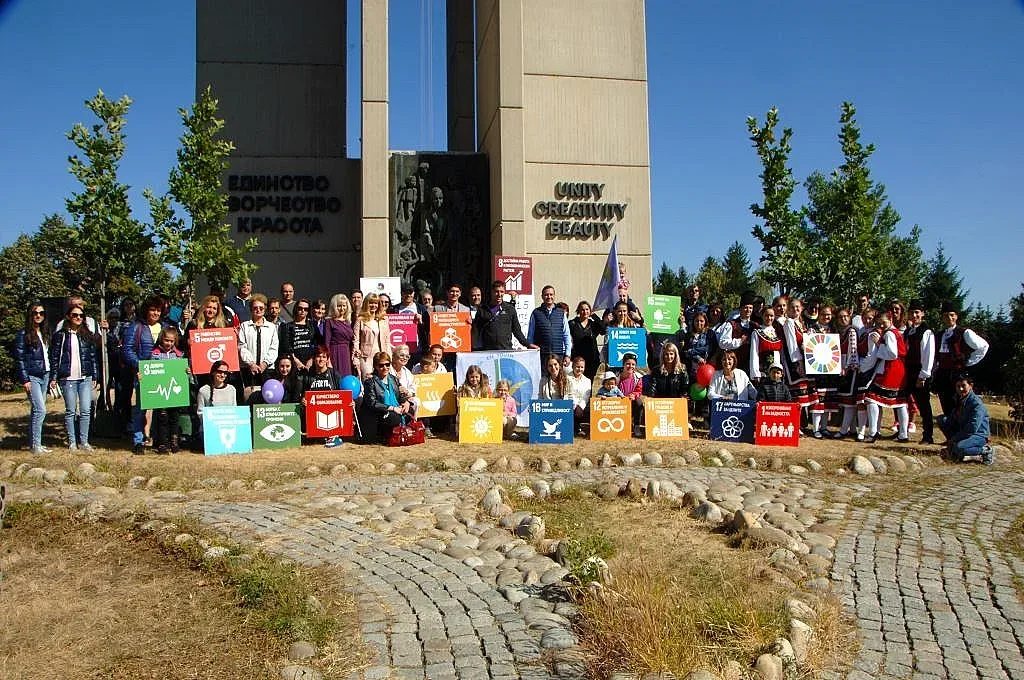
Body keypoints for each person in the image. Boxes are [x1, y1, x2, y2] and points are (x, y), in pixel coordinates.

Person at [50, 302, 100, 451]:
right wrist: (54, 377)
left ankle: (84, 442)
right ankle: (72, 442)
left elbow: (92, 356)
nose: (78, 318)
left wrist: (95, 374)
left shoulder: (87, 335)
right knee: (71, 410)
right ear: (68, 317)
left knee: (86, 410)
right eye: (75, 315)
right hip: (68, 378)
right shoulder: (60, 335)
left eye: (81, 315)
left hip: (85, 377)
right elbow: (54, 356)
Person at [122, 296, 169, 454]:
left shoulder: (165, 326)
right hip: (144, 373)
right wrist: (140, 366)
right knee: (141, 408)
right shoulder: (137, 327)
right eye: (152, 309)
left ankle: (158, 440)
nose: (155, 313)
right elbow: (127, 351)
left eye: (158, 310)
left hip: (162, 373)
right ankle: (138, 440)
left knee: (160, 409)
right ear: (146, 310)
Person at [859, 310, 909, 443]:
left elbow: (892, 354)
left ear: (890, 320)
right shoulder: (896, 333)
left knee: (871, 398)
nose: (881, 326)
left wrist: (878, 344)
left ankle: (873, 432)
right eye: (879, 323)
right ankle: (903, 433)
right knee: (900, 401)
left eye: (883, 323)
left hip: (891, 369)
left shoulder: (889, 334)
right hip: (899, 369)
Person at [933, 302, 989, 418]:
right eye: (946, 315)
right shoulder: (939, 335)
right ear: (942, 317)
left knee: (959, 406)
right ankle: (951, 434)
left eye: (952, 315)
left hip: (958, 375)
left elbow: (983, 346)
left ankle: (961, 433)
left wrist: (968, 362)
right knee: (946, 405)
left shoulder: (964, 333)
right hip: (943, 374)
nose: (949, 318)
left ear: (956, 316)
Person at [780, 297, 825, 437]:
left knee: (811, 395)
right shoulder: (789, 323)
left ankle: (812, 428)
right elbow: (792, 345)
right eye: (792, 307)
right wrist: (798, 363)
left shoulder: (803, 324)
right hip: (796, 364)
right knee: (798, 396)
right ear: (788, 309)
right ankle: (795, 425)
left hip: (808, 364)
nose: (796, 310)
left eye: (798, 307)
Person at [14, 302, 52, 453]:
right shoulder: (23, 334)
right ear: (30, 315)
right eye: (35, 313)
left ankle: (35, 443)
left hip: (45, 374)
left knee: (36, 410)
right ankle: (36, 446)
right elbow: (20, 358)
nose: (38, 316)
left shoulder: (44, 332)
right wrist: (25, 379)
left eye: (41, 313)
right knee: (40, 410)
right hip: (32, 376)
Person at [937, 373, 993, 464]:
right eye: (958, 386)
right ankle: (954, 448)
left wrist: (955, 438)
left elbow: (973, 427)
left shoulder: (976, 404)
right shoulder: (959, 400)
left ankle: (985, 450)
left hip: (978, 434)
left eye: (963, 386)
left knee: (960, 448)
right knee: (942, 419)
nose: (961, 389)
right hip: (963, 431)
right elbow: (953, 419)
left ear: (971, 386)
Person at [834, 308, 870, 440]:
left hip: (851, 368)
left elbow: (853, 351)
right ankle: (852, 428)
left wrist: (847, 366)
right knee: (848, 400)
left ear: (849, 317)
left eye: (845, 316)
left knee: (851, 400)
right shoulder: (840, 332)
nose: (843, 319)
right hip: (841, 365)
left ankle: (845, 430)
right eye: (840, 317)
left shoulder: (852, 331)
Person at [903, 299, 936, 444]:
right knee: (903, 403)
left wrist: (923, 376)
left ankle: (928, 436)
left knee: (924, 406)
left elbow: (929, 355)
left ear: (922, 314)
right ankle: (902, 433)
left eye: (917, 312)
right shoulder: (909, 331)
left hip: (920, 372)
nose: (914, 315)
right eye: (912, 312)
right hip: (908, 371)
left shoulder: (926, 332)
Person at [359, 351, 410, 444]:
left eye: (387, 364)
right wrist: (393, 408)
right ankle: (384, 434)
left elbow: (400, 394)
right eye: (381, 365)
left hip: (390, 410)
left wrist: (406, 402)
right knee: (394, 417)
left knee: (408, 411)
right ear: (376, 366)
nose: (385, 368)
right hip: (375, 413)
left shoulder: (393, 379)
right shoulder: (370, 382)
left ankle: (394, 434)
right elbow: (372, 403)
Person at [149, 326, 185, 454]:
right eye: (166, 340)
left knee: (174, 417)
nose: (168, 343)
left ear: (175, 341)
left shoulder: (179, 355)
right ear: (161, 339)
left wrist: (187, 371)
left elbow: (184, 374)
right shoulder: (155, 354)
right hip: (161, 393)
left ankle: (174, 441)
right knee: (162, 418)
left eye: (171, 341)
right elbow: (150, 372)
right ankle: (162, 442)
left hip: (174, 394)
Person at [474, 280, 533, 351]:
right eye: (496, 291)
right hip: (488, 352)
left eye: (502, 292)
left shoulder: (510, 309)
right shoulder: (482, 309)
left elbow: (517, 331)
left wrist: (528, 345)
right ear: (492, 292)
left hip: (506, 351)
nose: (499, 294)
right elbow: (476, 331)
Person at [237, 294, 279, 389]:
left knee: (267, 397)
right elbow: (242, 347)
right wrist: (251, 364)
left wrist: (265, 363)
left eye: (261, 308)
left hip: (267, 369)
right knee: (250, 397)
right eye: (255, 308)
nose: (258, 310)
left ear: (265, 309)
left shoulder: (271, 327)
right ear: (251, 309)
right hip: (249, 369)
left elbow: (274, 348)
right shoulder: (245, 326)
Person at [527, 285, 572, 366]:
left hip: (558, 354)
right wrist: (531, 351)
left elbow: (566, 335)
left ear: (554, 296)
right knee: (543, 378)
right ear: (542, 297)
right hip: (541, 355)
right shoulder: (536, 313)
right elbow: (531, 335)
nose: (549, 297)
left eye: (551, 294)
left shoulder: (561, 313)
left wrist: (567, 355)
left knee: (558, 378)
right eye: (546, 294)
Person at [353, 293, 392, 381]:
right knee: (368, 381)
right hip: (366, 357)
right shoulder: (360, 319)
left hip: (381, 356)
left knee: (381, 381)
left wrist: (389, 357)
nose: (374, 305)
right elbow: (356, 340)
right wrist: (355, 358)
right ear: (366, 304)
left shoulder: (383, 319)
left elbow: (387, 341)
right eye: (371, 303)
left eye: (376, 303)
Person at [196, 361, 238, 441]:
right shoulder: (203, 390)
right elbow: (200, 413)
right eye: (219, 372)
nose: (222, 375)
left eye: (225, 373)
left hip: (228, 428)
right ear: (213, 372)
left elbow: (234, 409)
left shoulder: (232, 389)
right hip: (210, 429)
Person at [718, 292, 759, 372]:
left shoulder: (755, 326)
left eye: (750, 308)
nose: (748, 310)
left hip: (751, 364)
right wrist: (740, 341)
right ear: (740, 309)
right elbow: (722, 343)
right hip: (735, 364)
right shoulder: (731, 324)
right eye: (745, 308)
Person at [279, 298, 318, 373]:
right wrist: (295, 360)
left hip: (311, 364)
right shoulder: (287, 326)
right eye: (300, 308)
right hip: (294, 364)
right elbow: (286, 346)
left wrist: (312, 359)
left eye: (306, 309)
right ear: (296, 309)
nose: (303, 311)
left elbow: (317, 344)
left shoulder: (313, 325)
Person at [569, 300, 605, 380]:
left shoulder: (593, 324)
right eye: (582, 309)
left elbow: (604, 330)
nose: (585, 311)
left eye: (587, 309)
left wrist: (594, 316)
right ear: (578, 311)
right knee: (576, 379)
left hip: (592, 359)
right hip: (578, 357)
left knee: (589, 381)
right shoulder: (572, 324)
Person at [392, 285, 430, 360]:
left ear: (414, 293)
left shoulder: (421, 308)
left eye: (410, 293)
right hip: (400, 346)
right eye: (405, 292)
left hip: (417, 347)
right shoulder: (395, 309)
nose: (408, 295)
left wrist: (421, 322)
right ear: (401, 293)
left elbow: (428, 327)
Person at [323, 294, 356, 380]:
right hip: (335, 353)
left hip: (347, 353)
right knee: (337, 379)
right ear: (334, 307)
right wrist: (328, 359)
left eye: (344, 306)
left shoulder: (348, 322)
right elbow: (326, 342)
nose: (342, 308)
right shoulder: (329, 321)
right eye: (339, 306)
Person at [749, 306, 783, 383]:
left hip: (777, 372)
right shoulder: (757, 333)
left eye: (771, 316)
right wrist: (755, 373)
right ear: (762, 316)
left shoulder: (777, 332)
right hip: (763, 372)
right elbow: (754, 353)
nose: (769, 318)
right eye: (766, 315)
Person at [617, 352, 645, 437]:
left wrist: (634, 395)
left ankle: (636, 426)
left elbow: (639, 391)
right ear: (624, 364)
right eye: (628, 364)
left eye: (633, 364)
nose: (630, 366)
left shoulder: (638, 377)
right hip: (618, 402)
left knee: (639, 402)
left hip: (631, 401)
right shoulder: (616, 376)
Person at [390, 344, 419, 419]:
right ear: (394, 356)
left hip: (405, 398)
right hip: (391, 398)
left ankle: (411, 426)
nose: (404, 358)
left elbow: (413, 389)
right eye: (402, 355)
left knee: (416, 401)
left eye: (407, 356)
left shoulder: (407, 372)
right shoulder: (388, 369)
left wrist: (407, 400)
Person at [567, 357, 592, 435]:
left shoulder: (588, 380)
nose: (579, 369)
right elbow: (569, 393)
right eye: (577, 367)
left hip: (582, 406)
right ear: (573, 367)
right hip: (570, 403)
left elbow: (586, 396)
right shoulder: (566, 378)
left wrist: (580, 406)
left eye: (582, 367)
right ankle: (575, 428)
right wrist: (576, 406)